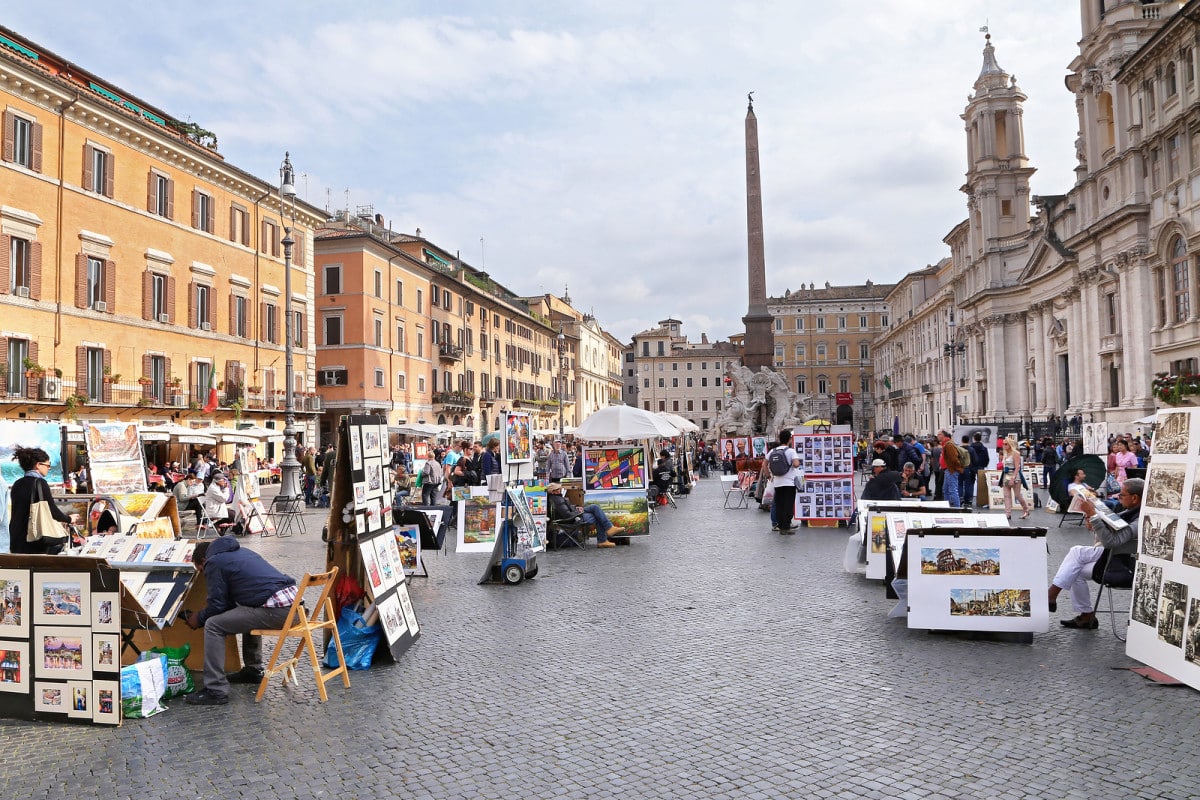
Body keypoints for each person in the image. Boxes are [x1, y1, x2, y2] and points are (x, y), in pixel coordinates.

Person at [181, 536, 298, 704]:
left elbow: (217, 605)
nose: (203, 574)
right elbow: (232, 602)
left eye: (200, 570)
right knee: (244, 609)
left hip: (280, 612)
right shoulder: (242, 552)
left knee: (213, 625)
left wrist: (198, 618)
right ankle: (253, 670)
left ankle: (215, 689)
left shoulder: (214, 562)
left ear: (204, 560)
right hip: (295, 608)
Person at [1047, 478, 1143, 629]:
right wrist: (1094, 521)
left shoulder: (1140, 520)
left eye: (1122, 495)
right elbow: (1109, 535)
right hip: (1115, 556)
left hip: (1125, 563)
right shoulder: (1125, 510)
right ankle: (1086, 615)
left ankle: (1051, 595)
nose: (1118, 497)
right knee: (1074, 570)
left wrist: (1093, 515)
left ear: (1135, 498)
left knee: (1076, 552)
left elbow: (1112, 542)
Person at [8, 447, 80, 554]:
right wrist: (69, 519)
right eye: (48, 465)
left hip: (16, 536)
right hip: (34, 537)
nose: (49, 468)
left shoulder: (17, 484)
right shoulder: (40, 483)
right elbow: (52, 510)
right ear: (38, 465)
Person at [546, 482, 625, 548]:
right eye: (558, 489)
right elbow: (567, 515)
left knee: (594, 508)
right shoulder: (558, 500)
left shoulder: (556, 498)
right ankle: (604, 538)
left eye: (560, 489)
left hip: (574, 515)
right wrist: (578, 512)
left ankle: (608, 531)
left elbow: (567, 510)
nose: (560, 490)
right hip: (573, 519)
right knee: (596, 515)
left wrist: (576, 508)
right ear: (553, 491)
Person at [768, 428, 801, 534]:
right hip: (789, 483)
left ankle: (781, 526)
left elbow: (764, 464)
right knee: (788, 505)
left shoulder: (773, 451)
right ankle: (786, 527)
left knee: (779, 505)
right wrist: (796, 463)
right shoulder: (791, 451)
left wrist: (769, 475)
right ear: (789, 440)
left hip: (777, 483)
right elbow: (796, 464)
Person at [999, 434, 1030, 519]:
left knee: (1017, 495)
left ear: (1010, 445)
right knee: (1006, 495)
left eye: (1006, 444)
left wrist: (1013, 478)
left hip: (1014, 475)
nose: (1004, 445)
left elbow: (1017, 467)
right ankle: (1008, 513)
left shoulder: (1015, 453)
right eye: (1003, 444)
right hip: (1006, 475)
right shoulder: (1005, 454)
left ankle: (1026, 509)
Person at [936, 430, 963, 508]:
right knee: (946, 490)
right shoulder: (946, 444)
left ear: (944, 435)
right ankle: (947, 507)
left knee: (952, 490)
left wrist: (956, 468)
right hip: (948, 470)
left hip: (951, 470)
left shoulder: (948, 445)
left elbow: (954, 458)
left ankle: (957, 508)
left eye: (939, 434)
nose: (937, 436)